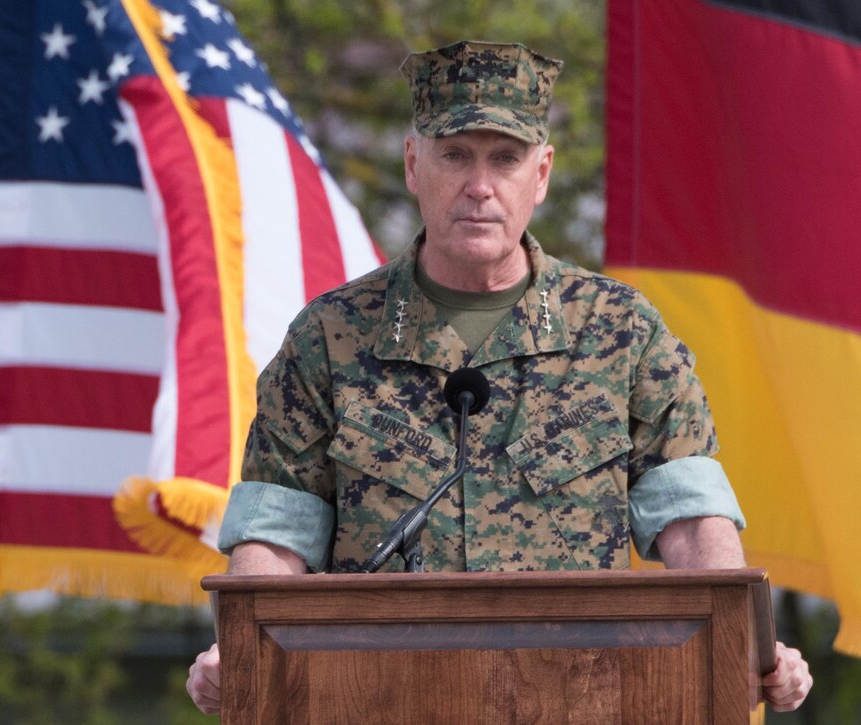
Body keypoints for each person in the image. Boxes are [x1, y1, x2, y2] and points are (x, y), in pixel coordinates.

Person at [186, 40, 812, 714]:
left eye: (504, 160)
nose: (479, 187)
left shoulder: (621, 332)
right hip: (378, 700)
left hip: (584, 698)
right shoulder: (328, 339)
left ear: (540, 174)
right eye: (455, 156)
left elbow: (692, 523)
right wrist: (239, 642)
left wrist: (746, 638)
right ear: (412, 164)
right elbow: (276, 540)